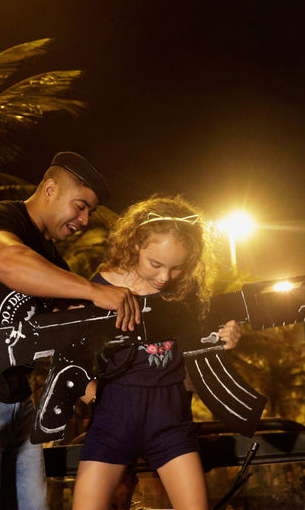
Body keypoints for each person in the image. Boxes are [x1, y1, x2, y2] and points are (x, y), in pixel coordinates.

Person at [0, 152, 141, 510]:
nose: (85, 220)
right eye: (80, 206)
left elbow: (62, 339)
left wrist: (100, 390)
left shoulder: (56, 264)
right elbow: (4, 261)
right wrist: (92, 290)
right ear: (50, 189)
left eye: (90, 211)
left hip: (18, 399)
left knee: (33, 505)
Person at [71, 196, 242, 510]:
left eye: (177, 268)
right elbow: (67, 362)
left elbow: (203, 344)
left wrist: (225, 338)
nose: (165, 277)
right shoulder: (97, 289)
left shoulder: (187, 294)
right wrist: (98, 398)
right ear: (136, 244)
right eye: (156, 264)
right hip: (112, 421)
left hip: (170, 421)